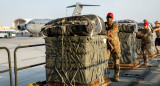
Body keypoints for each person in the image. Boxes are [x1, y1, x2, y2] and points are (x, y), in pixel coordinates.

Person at [105, 13, 121, 82]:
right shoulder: (104, 25)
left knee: (116, 61)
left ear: (112, 19)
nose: (109, 19)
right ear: (106, 18)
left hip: (115, 46)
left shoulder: (115, 26)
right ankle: (105, 76)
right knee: (105, 60)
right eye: (108, 17)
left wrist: (105, 33)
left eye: (110, 17)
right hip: (108, 46)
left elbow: (111, 31)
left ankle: (116, 76)